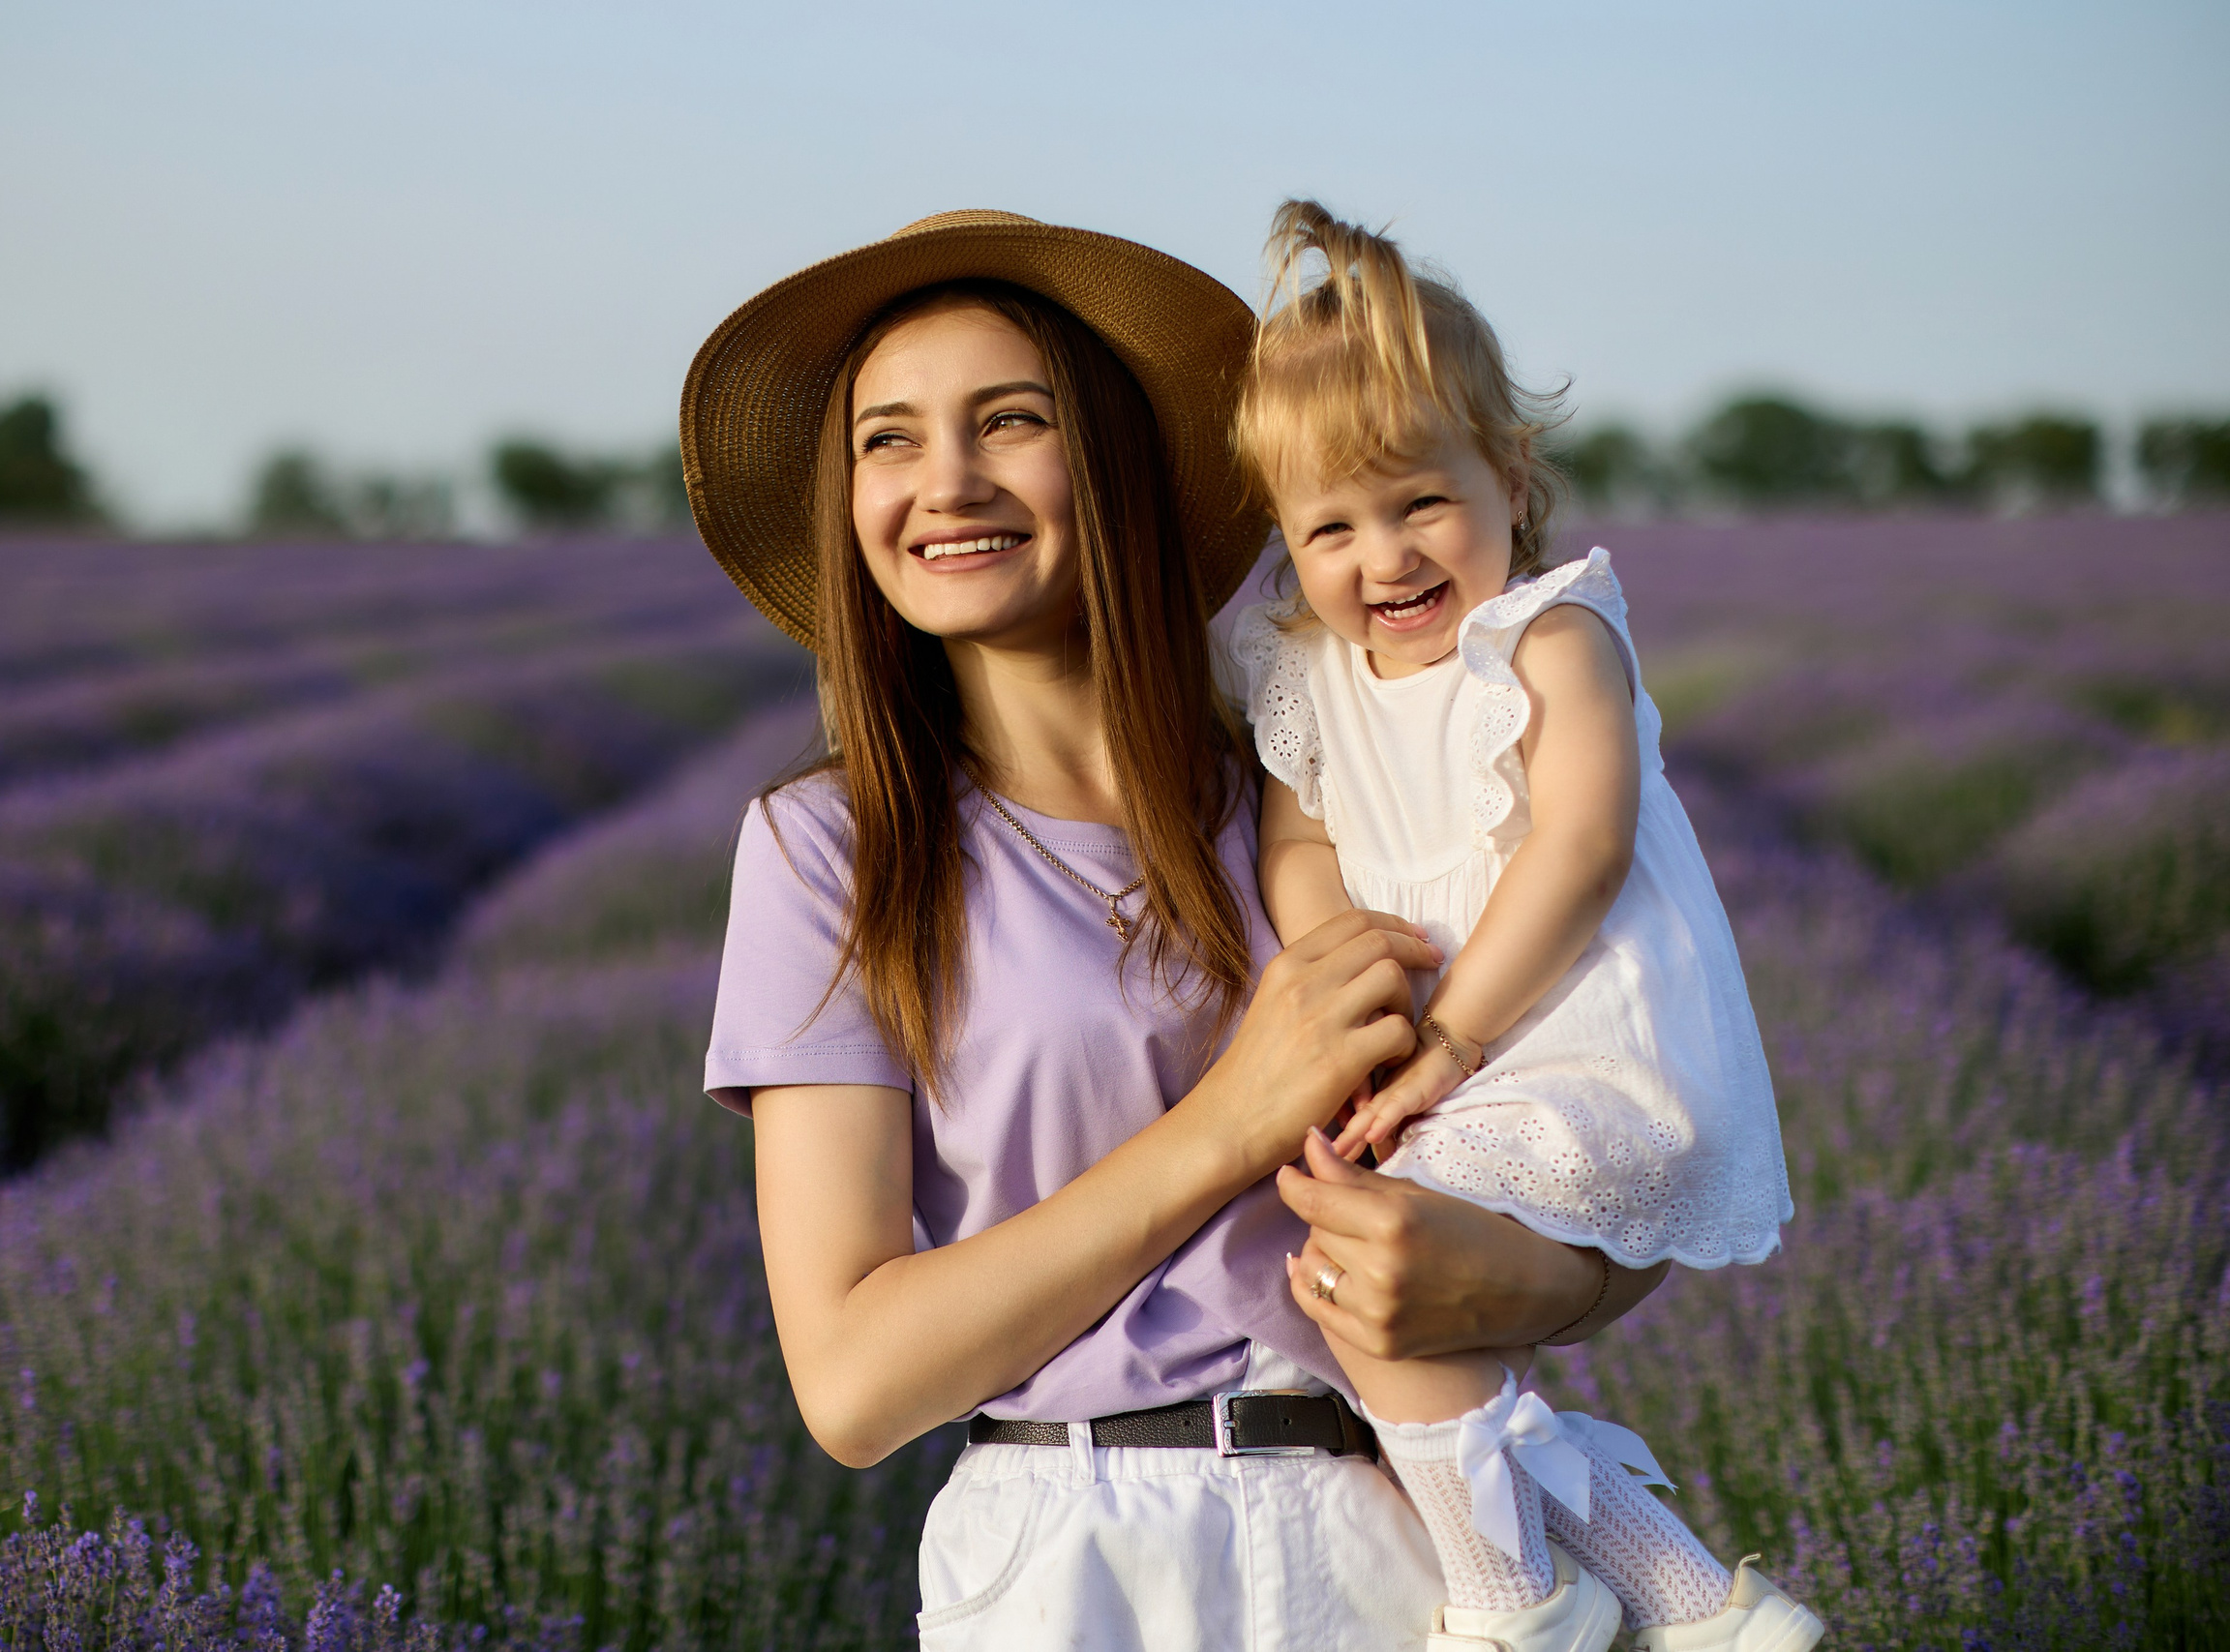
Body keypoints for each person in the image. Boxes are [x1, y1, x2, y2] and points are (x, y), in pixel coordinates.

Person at [684, 209, 1664, 1651]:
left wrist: (1531, 1280)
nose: (944, 483)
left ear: (1114, 464)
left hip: (1415, 1537)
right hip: (1079, 1559)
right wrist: (1230, 1119)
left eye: (1007, 422)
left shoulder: (1326, 787)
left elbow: (1609, 1146)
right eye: (886, 441)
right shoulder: (831, 853)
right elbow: (850, 1385)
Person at [1226, 200, 1823, 1652]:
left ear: (1508, 474)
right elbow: (1298, 842)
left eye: (1421, 501)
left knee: (1378, 1265)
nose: (1387, 556)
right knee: (1367, 1296)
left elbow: (1581, 845)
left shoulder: (1551, 635)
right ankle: (1701, 1607)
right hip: (1426, 1038)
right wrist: (1347, 989)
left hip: (1566, 1036)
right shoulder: (1308, 674)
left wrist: (1445, 1040)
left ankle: (1516, 1599)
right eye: (1331, 527)